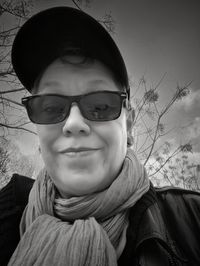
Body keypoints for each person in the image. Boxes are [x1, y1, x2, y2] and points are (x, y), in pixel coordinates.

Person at [1, 6, 199, 266]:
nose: (73, 123)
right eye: (51, 107)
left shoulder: (192, 221)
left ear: (129, 126)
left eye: (101, 106)